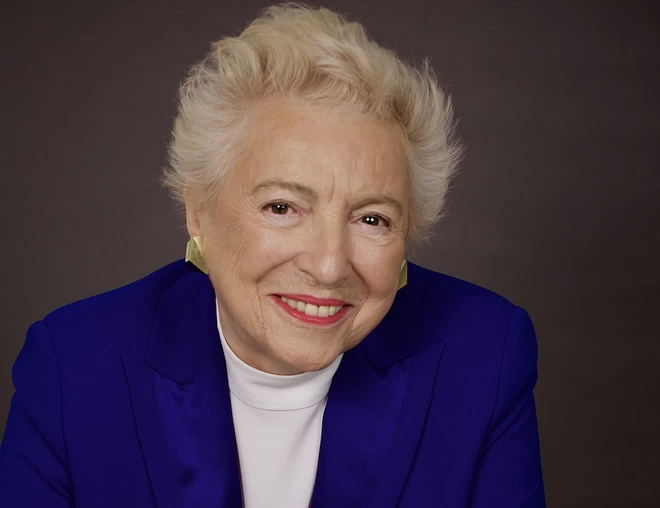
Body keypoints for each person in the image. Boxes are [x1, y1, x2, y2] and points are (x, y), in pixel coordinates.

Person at [0, 4, 545, 507]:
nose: (329, 266)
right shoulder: (74, 368)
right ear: (199, 213)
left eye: (372, 219)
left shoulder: (485, 356)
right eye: (282, 206)